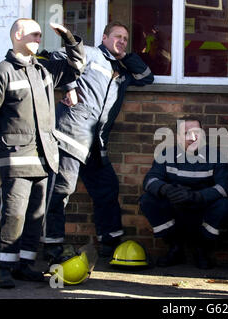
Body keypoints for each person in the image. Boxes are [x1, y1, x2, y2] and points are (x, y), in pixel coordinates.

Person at [0, 18, 85, 288]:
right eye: (34, 34)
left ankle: (25, 264)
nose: (39, 38)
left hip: (45, 157)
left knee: (36, 215)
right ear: (17, 34)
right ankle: (4, 266)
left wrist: (70, 39)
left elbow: (77, 66)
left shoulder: (44, 70)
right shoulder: (0, 73)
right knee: (13, 214)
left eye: (41, 35)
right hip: (16, 158)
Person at [41, 21, 154, 262]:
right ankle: (51, 246)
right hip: (70, 134)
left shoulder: (122, 71)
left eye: (125, 38)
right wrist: (69, 86)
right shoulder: (91, 54)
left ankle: (109, 242)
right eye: (117, 37)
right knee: (61, 189)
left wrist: (127, 56)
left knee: (107, 188)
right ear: (104, 37)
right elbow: (49, 60)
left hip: (95, 144)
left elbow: (146, 77)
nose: (121, 41)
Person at [139, 116, 228, 269]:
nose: (192, 137)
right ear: (178, 137)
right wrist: (167, 189)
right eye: (186, 133)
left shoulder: (216, 156)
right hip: (175, 208)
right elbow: (150, 180)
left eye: (197, 132)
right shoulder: (166, 154)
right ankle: (175, 248)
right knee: (148, 200)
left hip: (203, 208)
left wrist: (198, 196)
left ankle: (201, 250)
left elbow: (226, 187)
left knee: (225, 206)